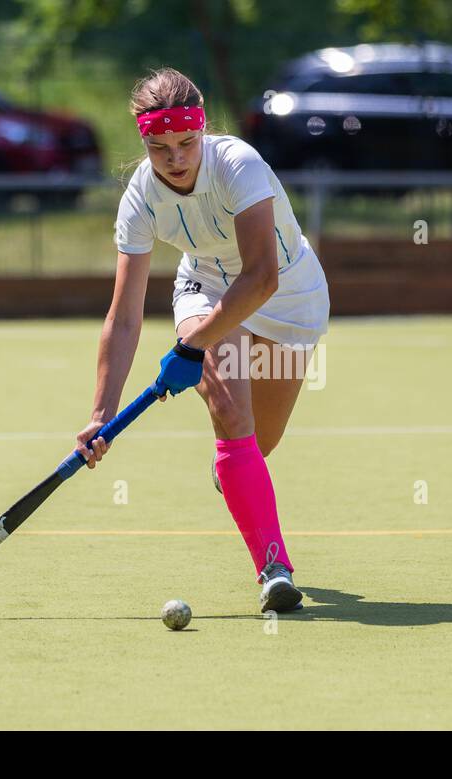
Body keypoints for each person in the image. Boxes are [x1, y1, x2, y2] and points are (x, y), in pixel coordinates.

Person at [76, 67, 330, 613]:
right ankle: (274, 567)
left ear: (204, 129)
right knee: (233, 421)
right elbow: (124, 316)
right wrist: (102, 412)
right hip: (205, 286)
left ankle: (234, 470)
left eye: (186, 142)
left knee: (259, 444)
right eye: (159, 146)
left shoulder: (237, 164)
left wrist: (188, 351)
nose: (175, 157)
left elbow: (262, 277)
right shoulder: (140, 200)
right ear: (143, 141)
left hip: (289, 293)